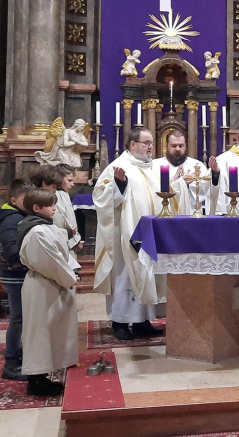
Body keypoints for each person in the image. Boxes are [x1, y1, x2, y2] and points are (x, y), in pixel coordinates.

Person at [93, 127, 167, 340]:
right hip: (125, 233)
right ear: (133, 144)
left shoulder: (153, 167)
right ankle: (120, 323)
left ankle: (143, 321)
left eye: (151, 143)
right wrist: (119, 184)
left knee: (145, 273)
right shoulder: (118, 167)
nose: (150, 147)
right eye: (146, 143)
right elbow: (101, 198)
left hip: (148, 233)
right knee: (125, 275)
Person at [17, 187, 79, 396]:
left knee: (50, 328)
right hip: (42, 285)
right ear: (36, 208)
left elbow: (60, 253)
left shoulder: (44, 227)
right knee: (40, 331)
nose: (55, 208)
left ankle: (44, 374)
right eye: (51, 205)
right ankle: (36, 380)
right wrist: (69, 277)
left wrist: (71, 271)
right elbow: (50, 261)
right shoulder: (37, 232)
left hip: (51, 283)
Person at [0, 179, 32, 381]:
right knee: (18, 318)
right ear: (13, 200)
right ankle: (11, 362)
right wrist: (33, 258)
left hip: (21, 274)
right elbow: (11, 251)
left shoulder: (20, 216)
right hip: (14, 276)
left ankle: (20, 355)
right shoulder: (10, 220)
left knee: (23, 318)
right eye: (26, 199)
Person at [32, 165, 83, 270]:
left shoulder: (60, 194)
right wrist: (73, 241)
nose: (55, 190)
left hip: (64, 242)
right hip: (57, 245)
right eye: (69, 180)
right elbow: (60, 221)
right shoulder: (53, 197)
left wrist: (75, 239)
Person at [153, 130, 214, 215]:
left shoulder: (197, 165)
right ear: (166, 146)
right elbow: (152, 193)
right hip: (164, 215)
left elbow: (207, 192)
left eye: (181, 146)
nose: (178, 149)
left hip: (191, 215)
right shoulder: (154, 166)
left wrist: (189, 185)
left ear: (186, 146)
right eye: (173, 146)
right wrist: (176, 182)